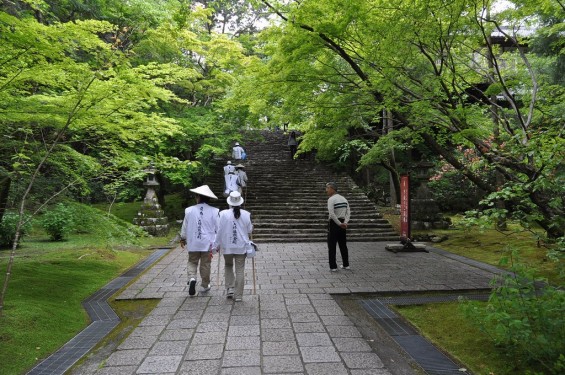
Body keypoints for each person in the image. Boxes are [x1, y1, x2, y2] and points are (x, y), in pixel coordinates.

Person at [179, 185, 220, 296]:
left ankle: (192, 278)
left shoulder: (189, 210)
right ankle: (204, 285)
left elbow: (184, 227)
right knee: (205, 264)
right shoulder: (215, 211)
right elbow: (218, 229)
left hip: (193, 243)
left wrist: (182, 238)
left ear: (198, 197)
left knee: (192, 261)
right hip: (207, 243)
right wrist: (218, 243)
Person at [214, 191, 253, 302]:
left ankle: (230, 288)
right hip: (241, 246)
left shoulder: (222, 214)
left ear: (230, 202)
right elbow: (250, 230)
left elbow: (219, 230)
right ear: (240, 202)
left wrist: (216, 244)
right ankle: (239, 295)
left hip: (227, 246)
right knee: (240, 270)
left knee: (228, 265)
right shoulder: (246, 214)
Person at [325, 182, 351, 272]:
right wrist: (345, 222)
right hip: (343, 223)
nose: (326, 190)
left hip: (334, 224)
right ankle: (346, 264)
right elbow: (348, 212)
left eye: (327, 188)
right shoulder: (344, 198)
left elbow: (331, 214)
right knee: (343, 244)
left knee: (332, 245)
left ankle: (333, 266)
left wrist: (339, 224)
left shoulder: (331, 199)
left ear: (332, 189)